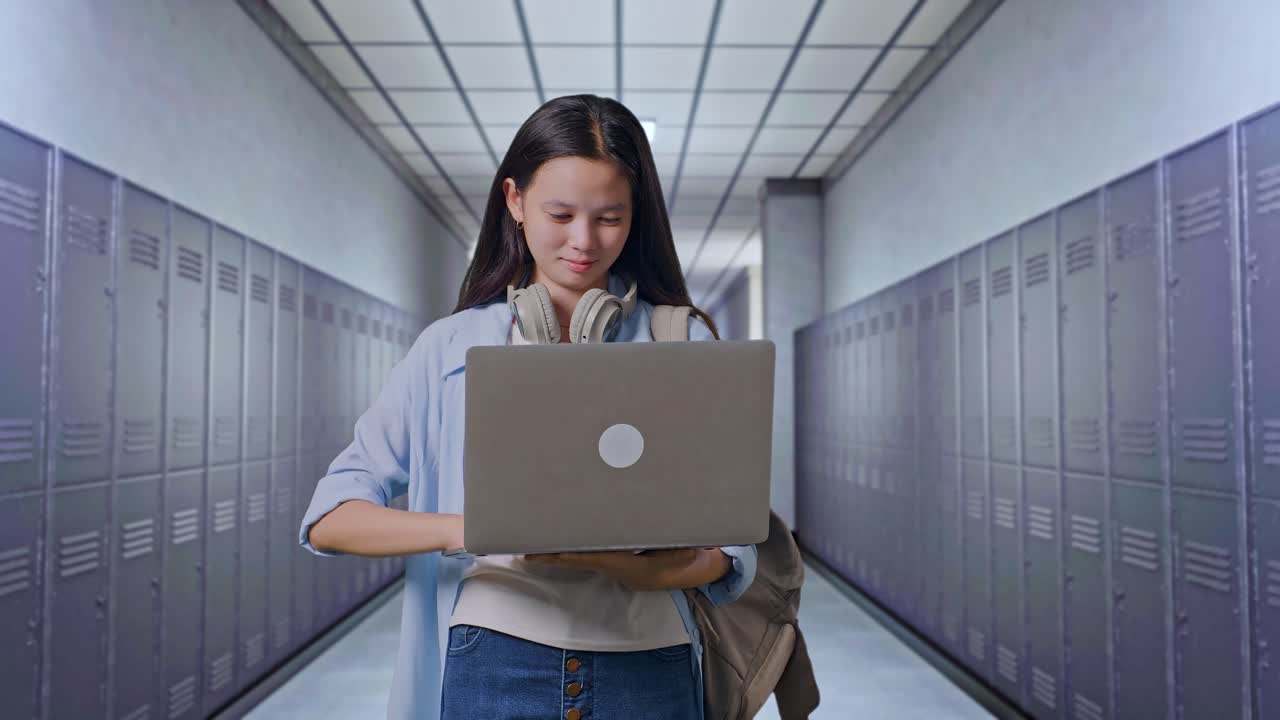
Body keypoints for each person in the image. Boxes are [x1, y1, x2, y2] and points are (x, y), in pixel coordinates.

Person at [299, 94, 758, 720]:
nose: (583, 241)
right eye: (560, 213)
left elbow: (734, 547)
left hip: (650, 661)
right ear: (515, 201)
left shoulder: (681, 343)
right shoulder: (450, 348)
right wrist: (473, 529)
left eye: (610, 217)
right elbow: (331, 516)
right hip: (494, 657)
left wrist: (654, 572)